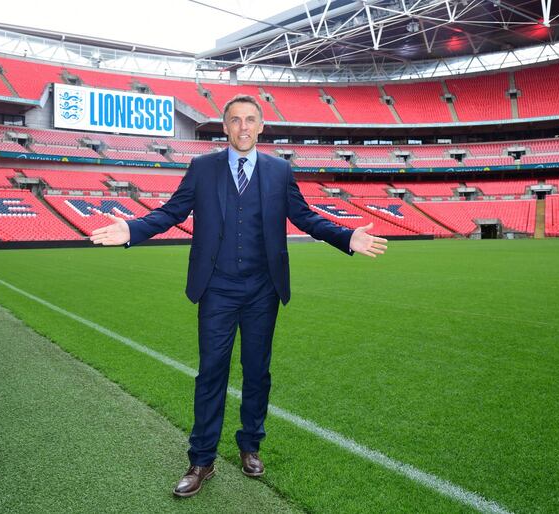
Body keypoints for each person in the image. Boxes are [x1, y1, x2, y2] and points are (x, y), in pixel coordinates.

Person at [90, 94, 387, 497]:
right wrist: (133, 230)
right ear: (225, 127)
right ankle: (201, 460)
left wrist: (346, 236)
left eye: (250, 120)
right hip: (217, 288)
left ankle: (250, 445)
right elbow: (172, 212)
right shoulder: (202, 168)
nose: (243, 127)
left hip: (263, 289)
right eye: (235, 120)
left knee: (257, 372)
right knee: (211, 372)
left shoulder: (280, 171)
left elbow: (305, 217)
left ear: (261, 126)